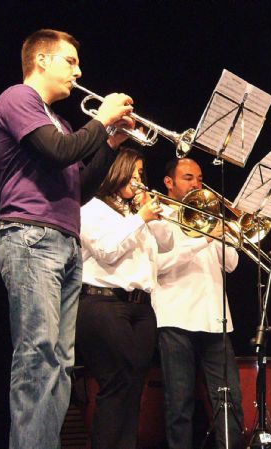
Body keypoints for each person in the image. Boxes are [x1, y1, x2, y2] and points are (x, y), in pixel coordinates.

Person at [0, 29, 134, 449]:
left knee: (61, 364)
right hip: (30, 236)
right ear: (42, 61)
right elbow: (58, 152)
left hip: (66, 243)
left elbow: (81, 188)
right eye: (70, 61)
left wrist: (110, 142)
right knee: (38, 358)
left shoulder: (64, 121)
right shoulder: (17, 98)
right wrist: (102, 119)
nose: (78, 71)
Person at [77, 149, 215, 449]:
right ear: (117, 172)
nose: (140, 180)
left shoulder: (133, 214)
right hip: (104, 305)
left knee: (133, 388)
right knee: (117, 383)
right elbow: (107, 250)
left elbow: (165, 245)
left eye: (141, 174)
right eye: (135, 174)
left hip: (140, 309)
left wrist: (153, 216)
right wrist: (140, 217)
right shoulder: (91, 208)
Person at [152, 158, 245, 449]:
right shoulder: (159, 214)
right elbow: (158, 265)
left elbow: (230, 265)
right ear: (169, 182)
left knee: (229, 402)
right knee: (179, 405)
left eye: (199, 179)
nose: (196, 184)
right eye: (188, 178)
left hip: (215, 317)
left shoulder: (208, 216)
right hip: (176, 316)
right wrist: (204, 239)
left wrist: (227, 233)